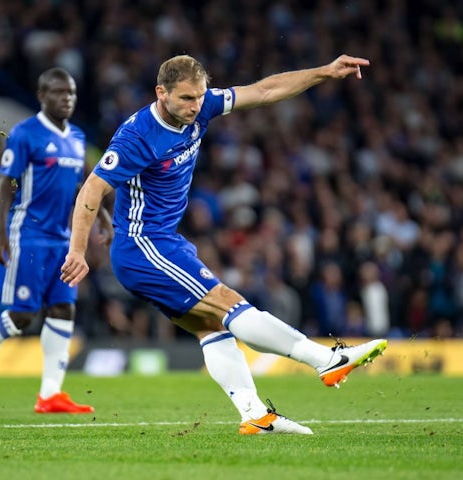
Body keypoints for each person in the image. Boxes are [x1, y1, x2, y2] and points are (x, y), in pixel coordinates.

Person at [60, 54, 387, 434]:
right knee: (229, 303)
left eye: (199, 97)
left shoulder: (202, 107)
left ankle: (254, 415)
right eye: (185, 99)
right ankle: (325, 360)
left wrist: (324, 72)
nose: (195, 106)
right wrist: (77, 251)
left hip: (164, 242)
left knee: (212, 327)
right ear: (161, 93)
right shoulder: (137, 136)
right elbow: (92, 189)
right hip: (143, 247)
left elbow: (264, 90)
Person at [0, 67, 113, 413]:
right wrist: (1, 234)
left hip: (64, 240)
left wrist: (102, 216)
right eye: (60, 93)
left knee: (63, 308)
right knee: (23, 314)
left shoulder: (77, 136)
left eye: (72, 93)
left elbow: (80, 185)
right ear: (42, 96)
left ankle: (50, 394)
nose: (67, 99)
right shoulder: (25, 134)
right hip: (28, 235)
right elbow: (6, 184)